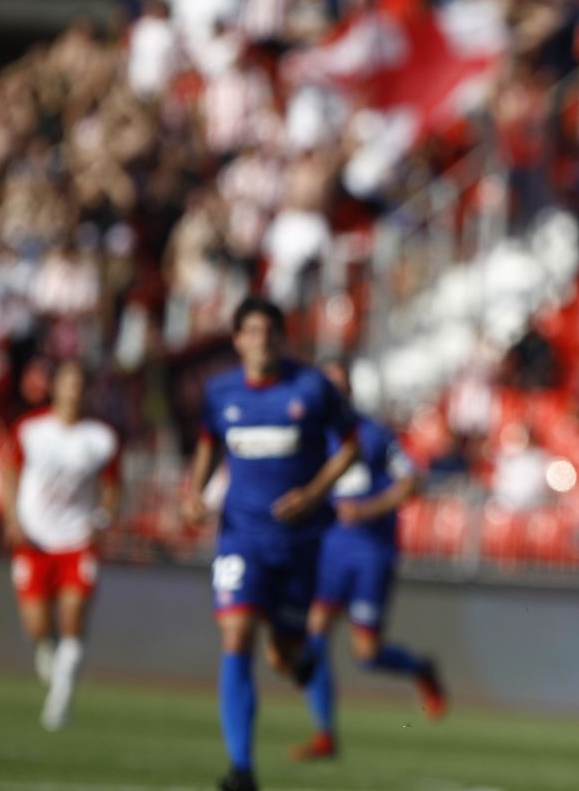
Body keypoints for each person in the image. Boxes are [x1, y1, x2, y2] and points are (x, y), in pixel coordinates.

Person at [185, 297, 361, 791]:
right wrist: (194, 494)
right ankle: (242, 770)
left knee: (283, 653)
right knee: (237, 635)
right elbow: (206, 443)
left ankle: (299, 659)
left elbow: (350, 446)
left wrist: (313, 493)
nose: (261, 340)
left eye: (270, 331)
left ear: (282, 338)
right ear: (238, 339)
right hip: (240, 537)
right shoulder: (219, 392)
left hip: (300, 543)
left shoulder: (312, 387)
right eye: (252, 331)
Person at [291, 358, 446, 762]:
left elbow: (411, 480)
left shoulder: (373, 434)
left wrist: (370, 508)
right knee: (315, 635)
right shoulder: (308, 434)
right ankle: (325, 733)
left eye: (338, 386)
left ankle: (420, 669)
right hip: (328, 550)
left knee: (367, 654)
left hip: (371, 552)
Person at [1, 359, 120, 731]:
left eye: (80, 383)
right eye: (68, 382)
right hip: (34, 539)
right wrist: (11, 520)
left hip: (76, 540)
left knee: (73, 620)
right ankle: (49, 658)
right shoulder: (30, 429)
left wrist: (101, 521)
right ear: (55, 387)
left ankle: (62, 695)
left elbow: (113, 489)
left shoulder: (101, 437)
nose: (74, 389)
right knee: (37, 628)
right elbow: (10, 475)